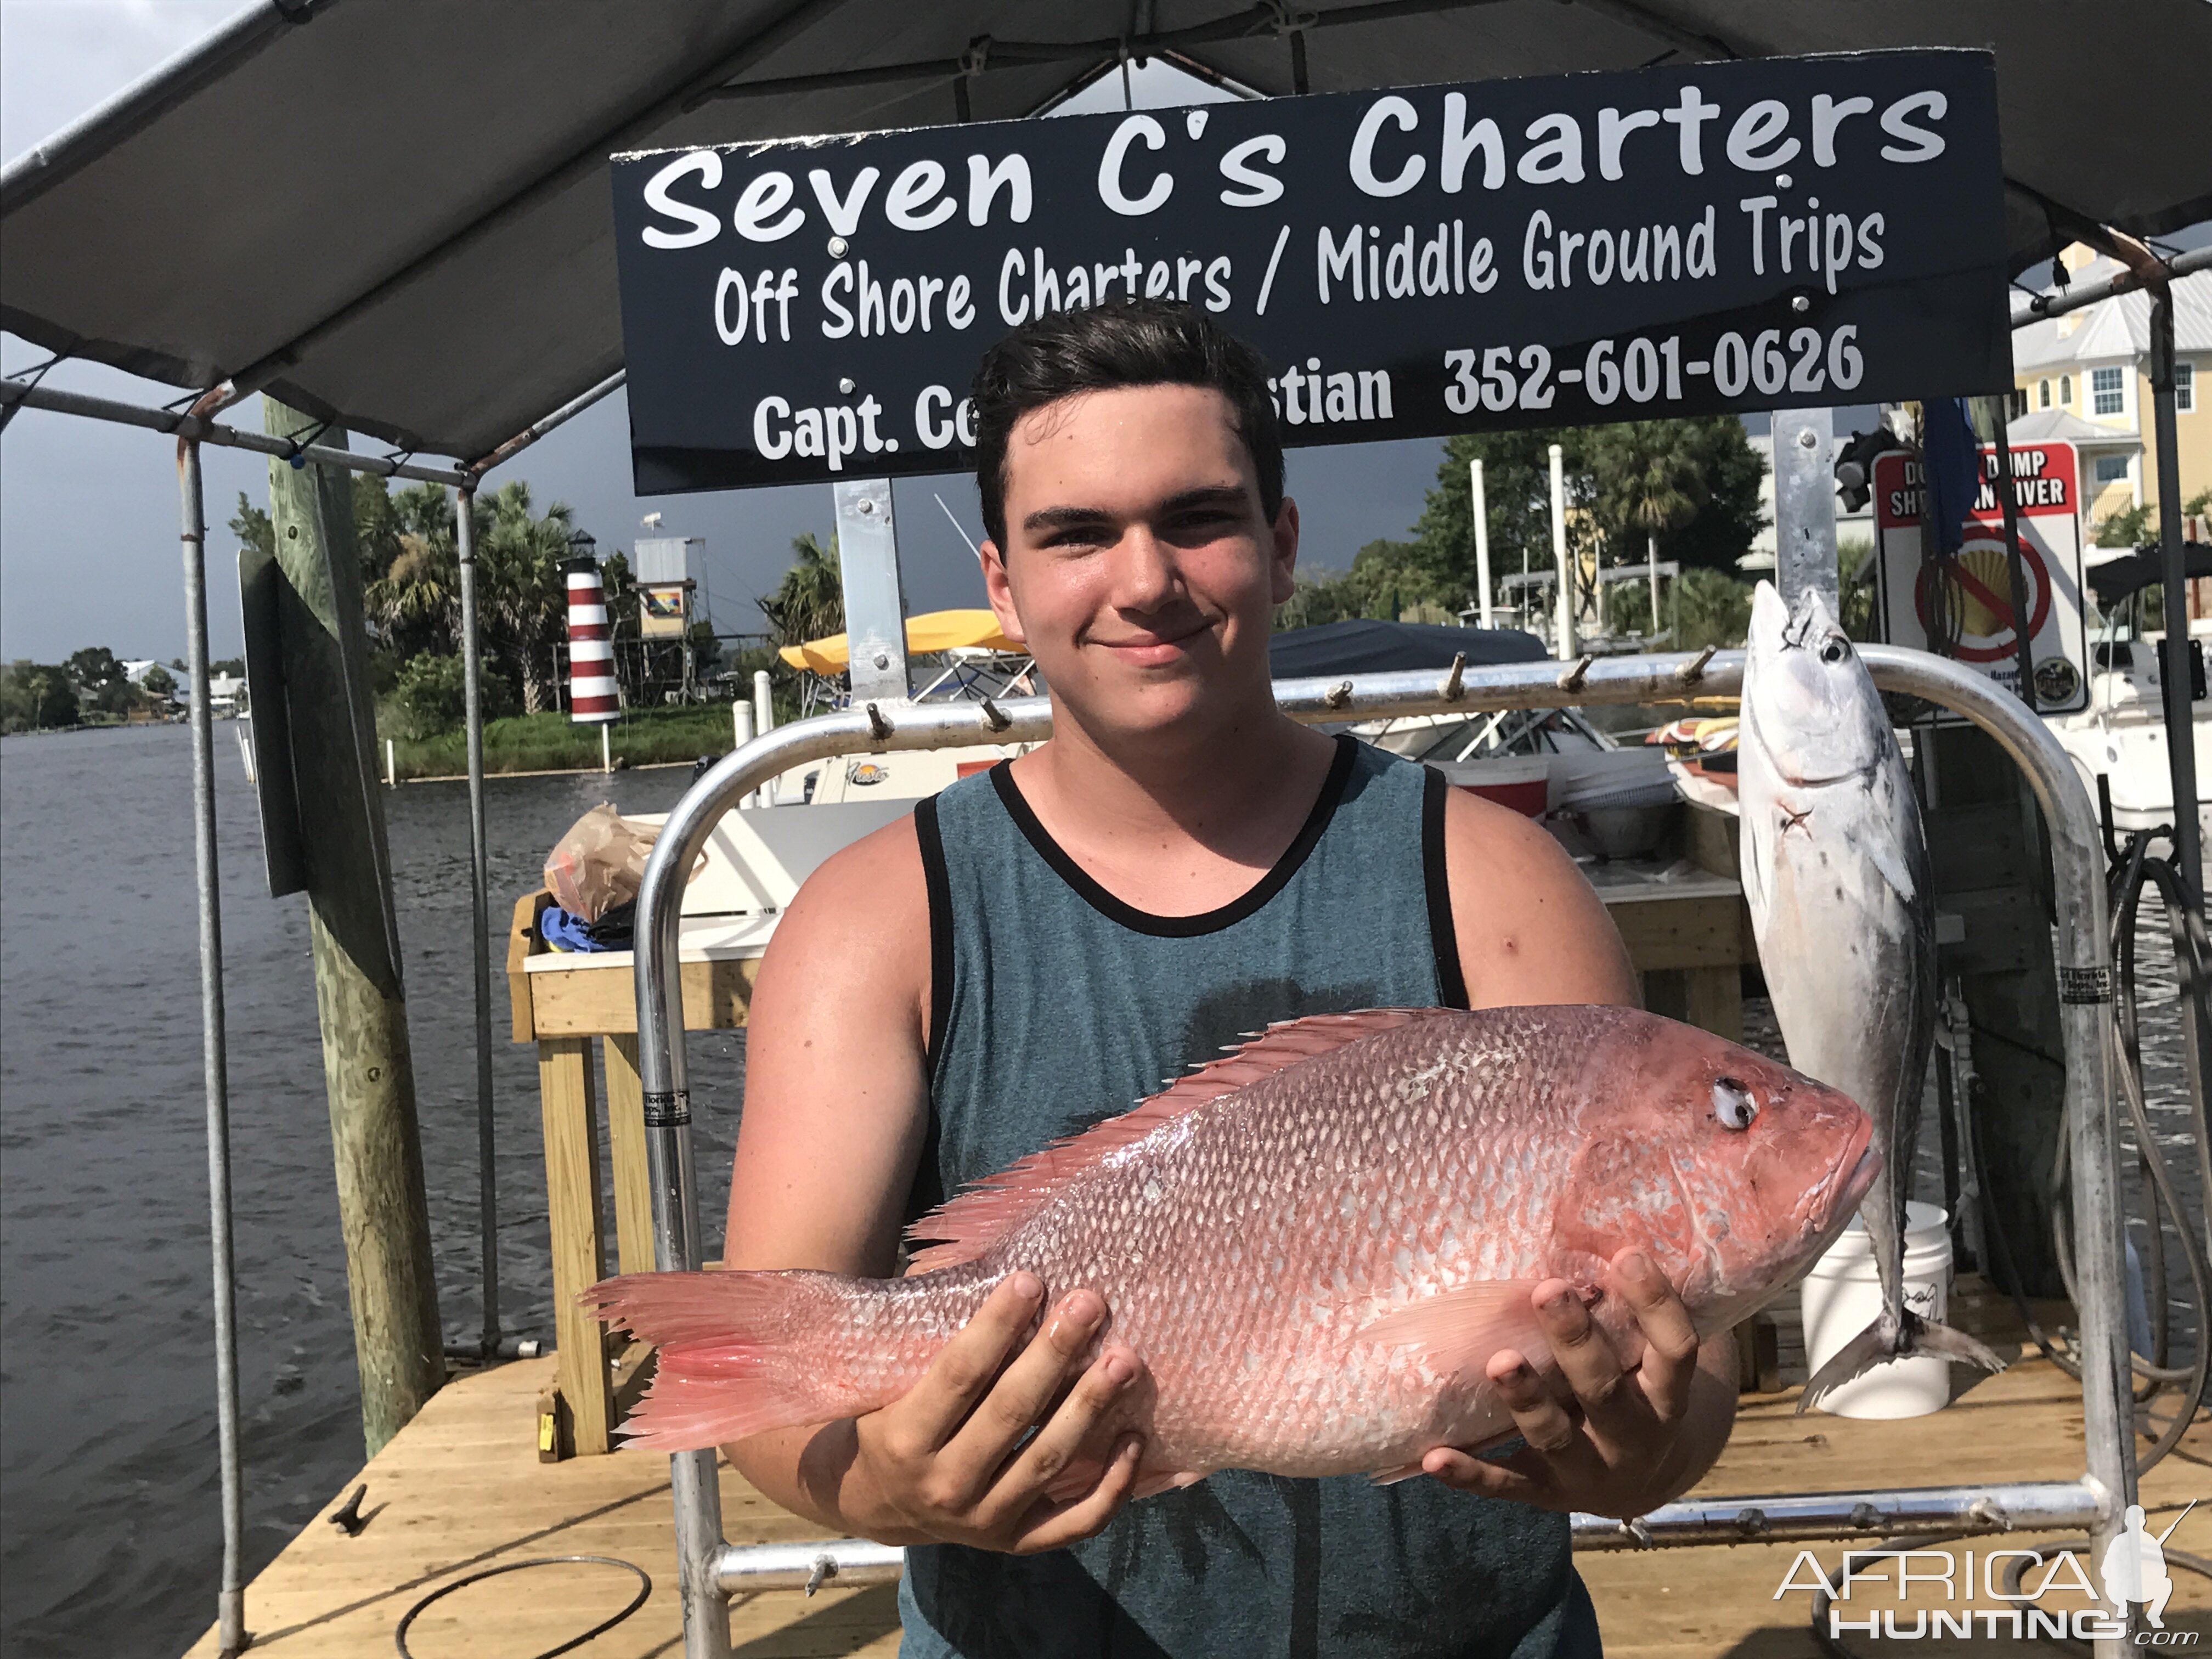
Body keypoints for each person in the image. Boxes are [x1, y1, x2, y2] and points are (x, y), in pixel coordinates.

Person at [722, 300, 1741, 1657]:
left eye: (1197, 517)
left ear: (1282, 542)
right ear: (1006, 581)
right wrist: (879, 1482)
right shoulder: (872, 922)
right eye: (1076, 534)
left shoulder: (1498, 881)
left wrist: (1649, 1451)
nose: (1144, 578)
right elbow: (769, 1381)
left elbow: (1697, 1366)